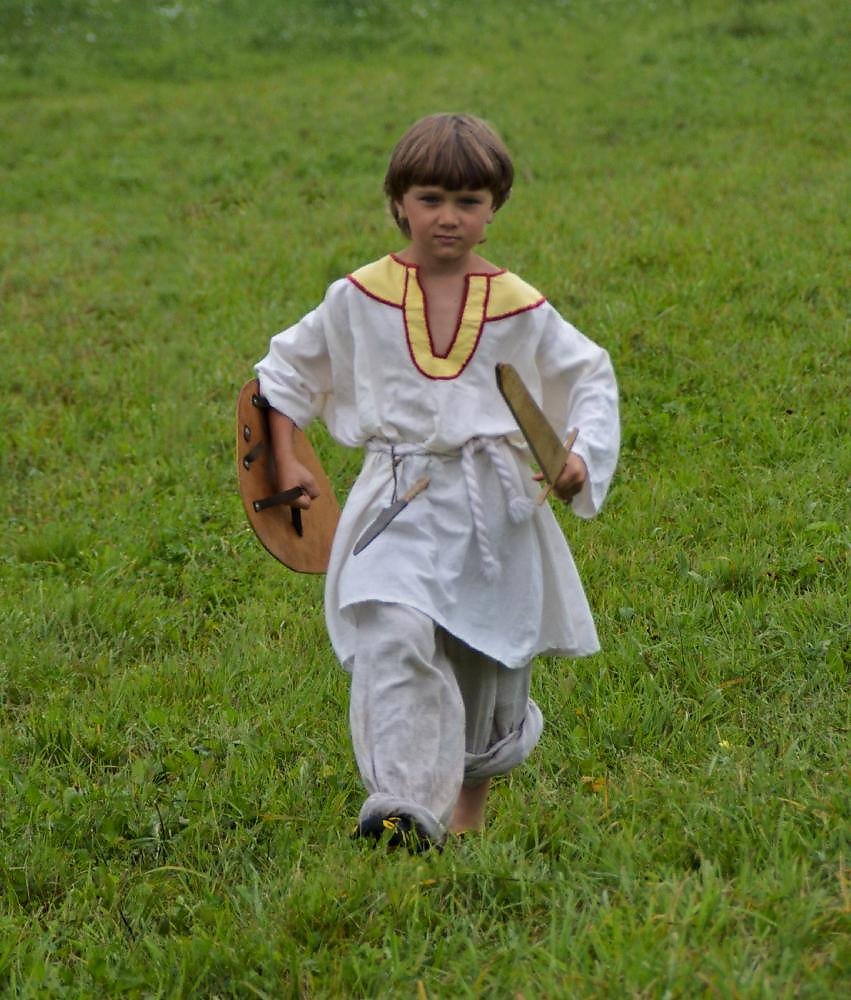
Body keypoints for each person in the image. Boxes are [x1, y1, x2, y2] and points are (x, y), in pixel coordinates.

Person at [255, 113, 619, 851]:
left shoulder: (521, 305)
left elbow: (589, 378)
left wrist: (579, 457)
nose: (446, 218)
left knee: (483, 659)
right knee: (392, 629)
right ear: (398, 202)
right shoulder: (357, 297)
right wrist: (285, 456)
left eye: (467, 202)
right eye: (428, 199)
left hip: (494, 504)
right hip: (396, 496)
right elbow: (283, 374)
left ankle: (466, 809)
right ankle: (401, 806)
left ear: (493, 211)